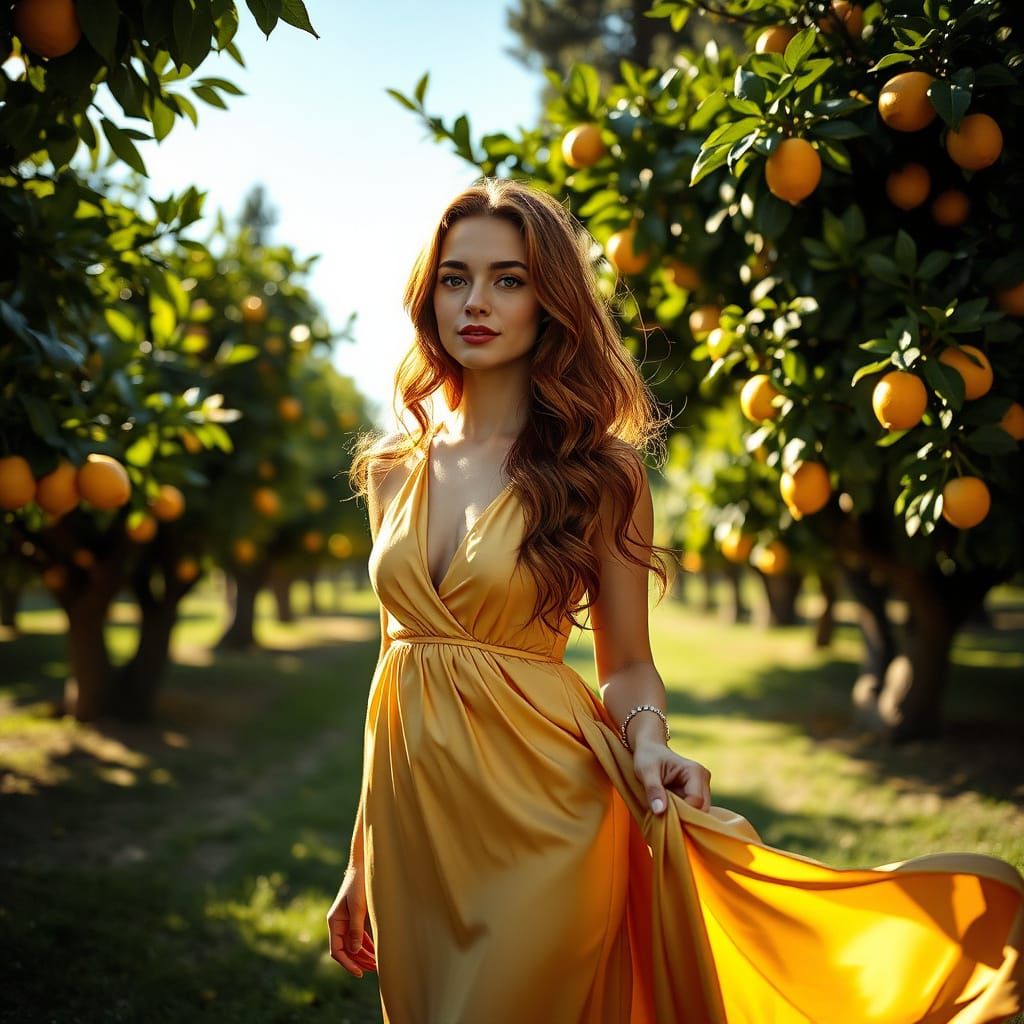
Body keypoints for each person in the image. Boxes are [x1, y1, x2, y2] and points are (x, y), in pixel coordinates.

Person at [328, 177, 1023, 1024]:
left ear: (550, 302)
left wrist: (650, 742)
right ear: (427, 292)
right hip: (414, 836)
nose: (476, 301)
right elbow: (390, 671)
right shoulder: (392, 467)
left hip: (546, 814)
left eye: (508, 279)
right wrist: (361, 860)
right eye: (455, 276)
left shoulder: (601, 474)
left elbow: (626, 664)